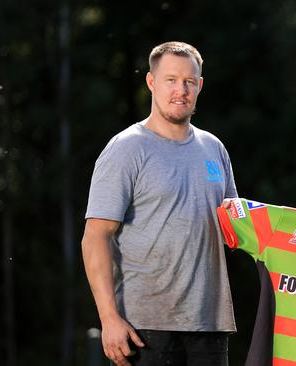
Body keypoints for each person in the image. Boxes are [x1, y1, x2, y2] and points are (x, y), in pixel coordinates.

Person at [81, 41, 237, 366]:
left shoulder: (214, 149)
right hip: (144, 329)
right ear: (151, 82)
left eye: (189, 82)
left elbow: (237, 228)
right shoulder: (126, 149)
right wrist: (109, 319)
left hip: (210, 324)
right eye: (171, 80)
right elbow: (96, 236)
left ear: (200, 86)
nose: (180, 90)